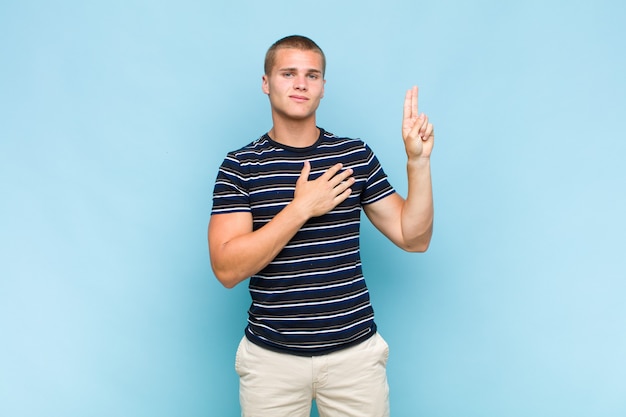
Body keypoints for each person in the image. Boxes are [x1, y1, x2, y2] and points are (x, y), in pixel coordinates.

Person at [208, 35, 434, 417]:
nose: (300, 83)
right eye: (288, 73)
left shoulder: (353, 156)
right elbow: (227, 269)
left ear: (323, 88)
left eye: (312, 75)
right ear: (266, 83)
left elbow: (414, 238)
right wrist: (301, 209)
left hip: (355, 360)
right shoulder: (240, 166)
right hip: (271, 363)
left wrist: (418, 162)